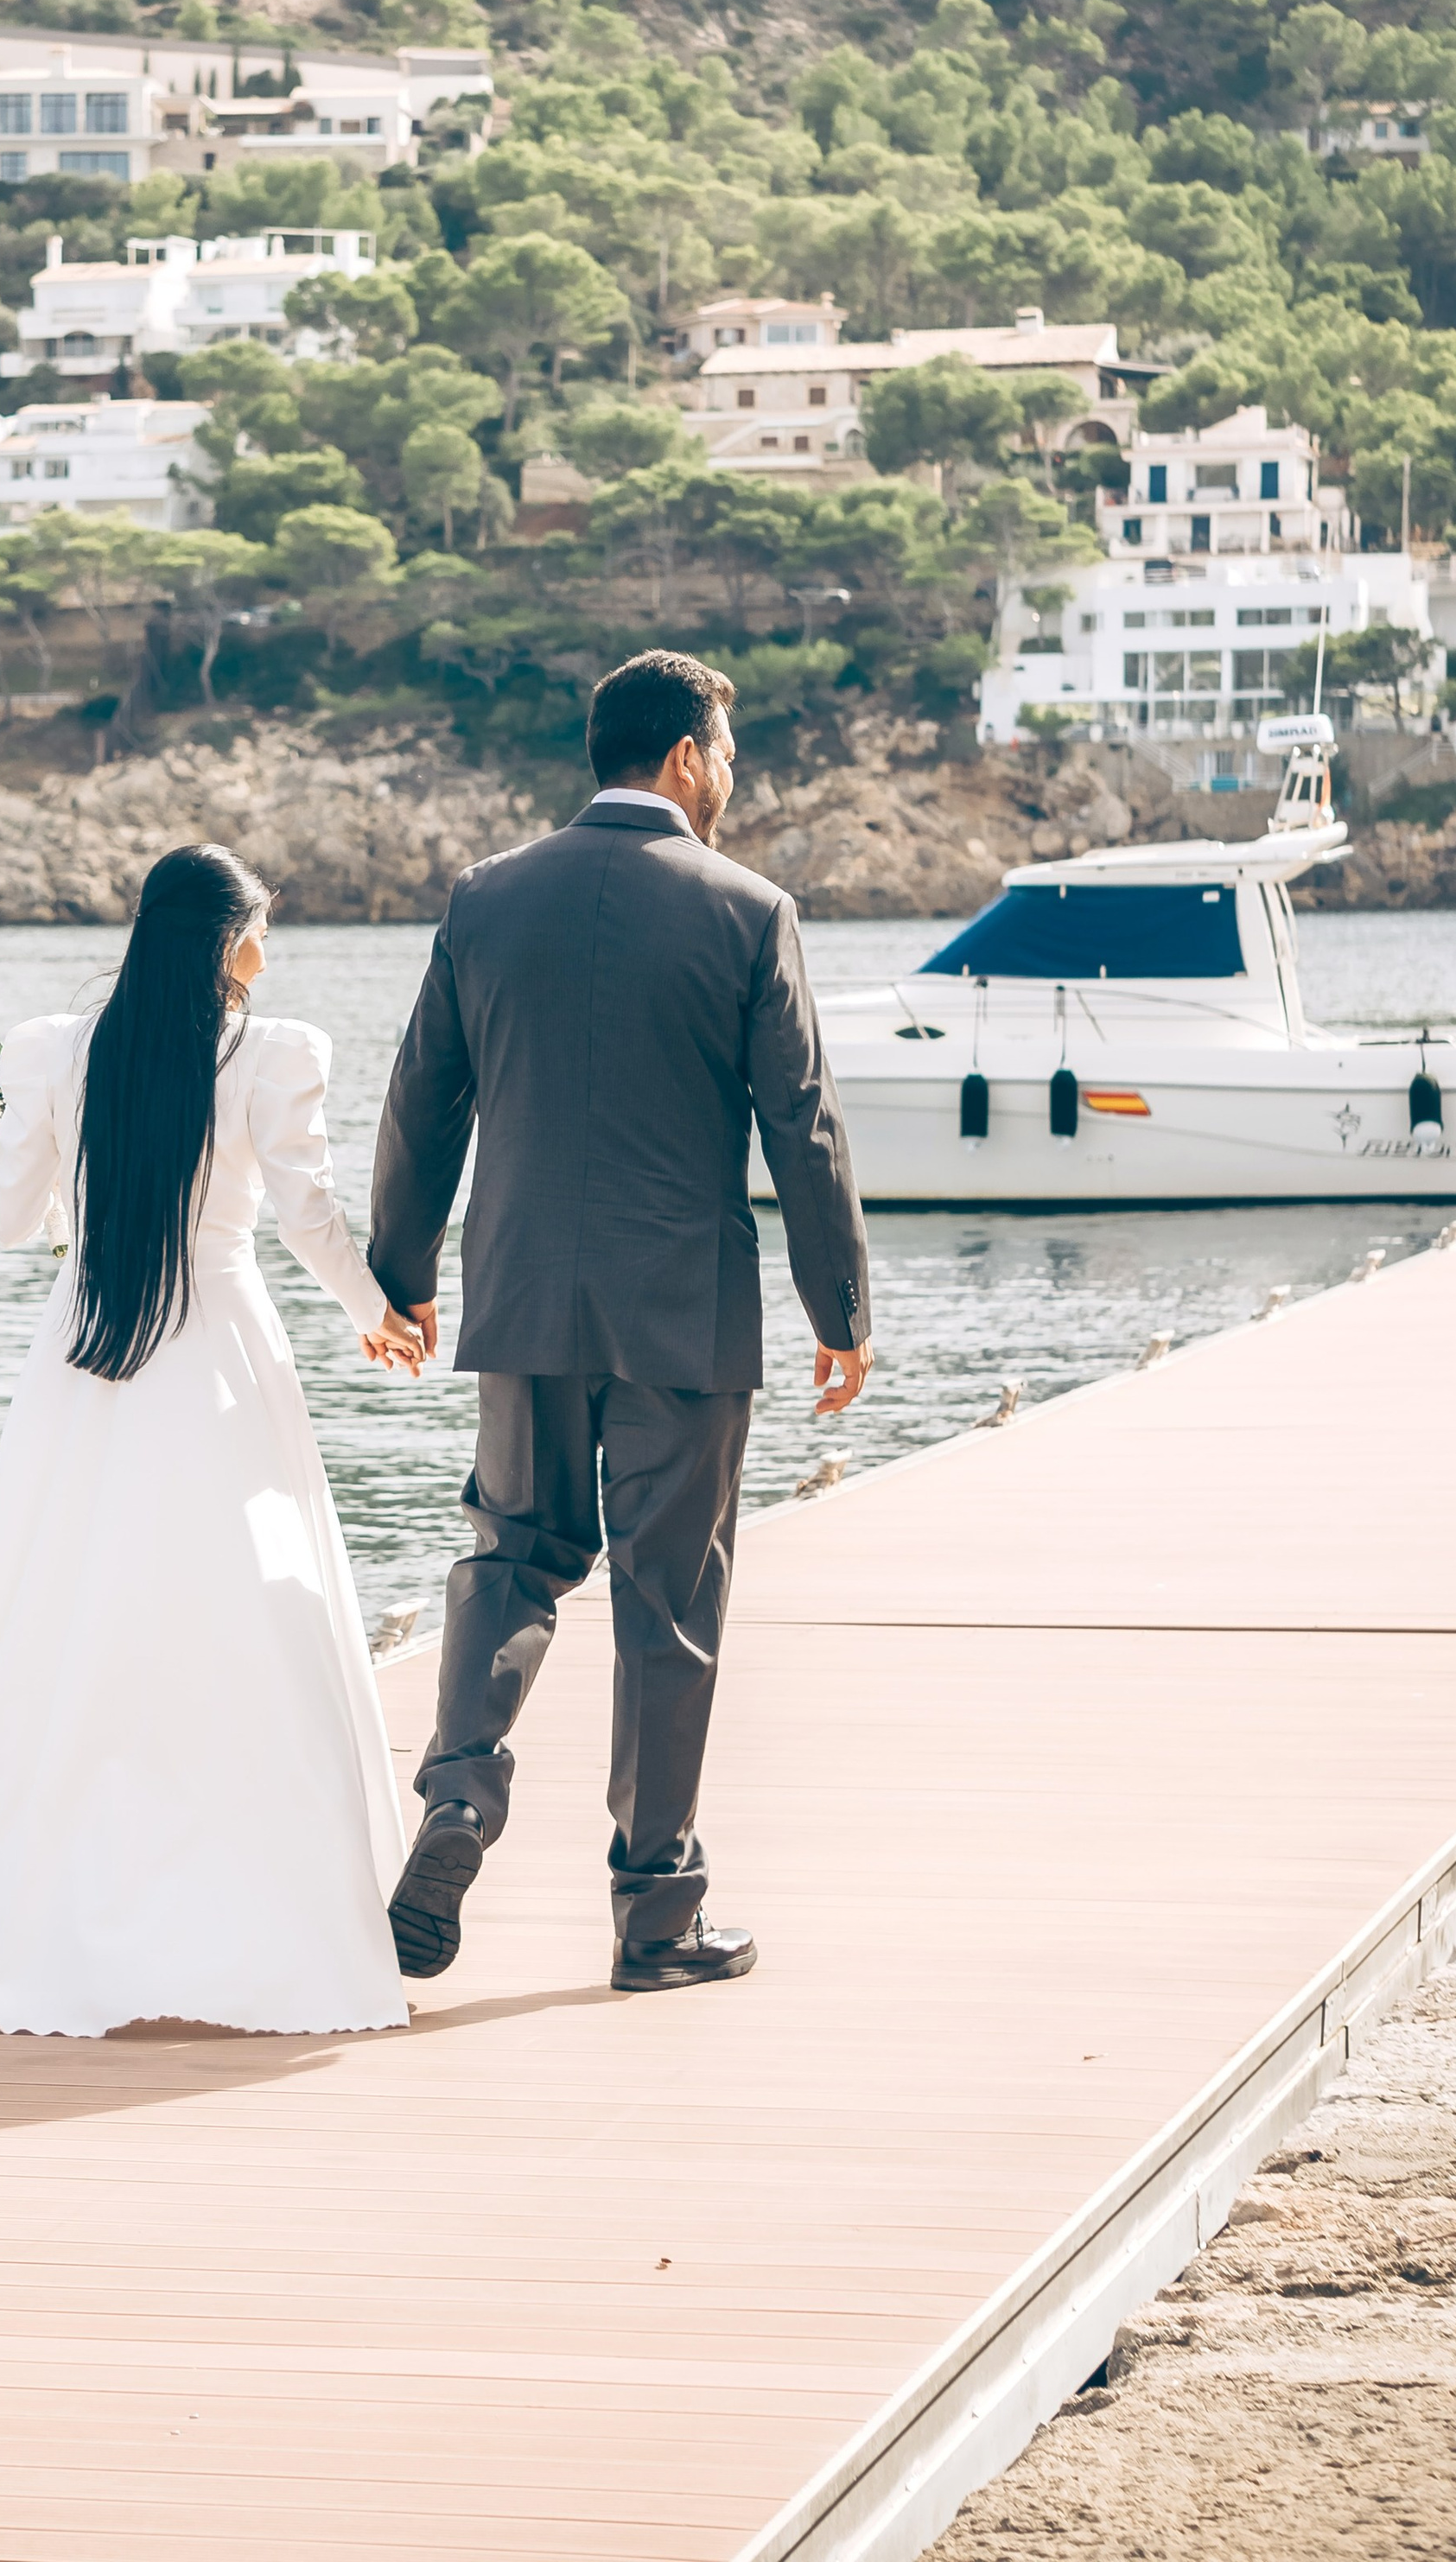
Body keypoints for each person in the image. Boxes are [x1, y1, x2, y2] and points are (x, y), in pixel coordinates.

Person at [0, 842, 429, 2040]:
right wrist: (376, 1315)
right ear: (234, 938)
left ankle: (37, 1890)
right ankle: (251, 1906)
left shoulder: (50, 1050)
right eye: (263, 928)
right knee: (241, 1613)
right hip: (222, 1357)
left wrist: (10, 1150)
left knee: (54, 1606)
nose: (266, 949)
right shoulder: (275, 1055)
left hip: (87, 1353)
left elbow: (10, 1222)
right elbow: (308, 1217)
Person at [367, 648, 873, 1996]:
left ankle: (461, 1797)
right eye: (731, 751)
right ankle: (657, 1921)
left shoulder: (485, 900)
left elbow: (424, 1102)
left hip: (523, 1299)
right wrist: (842, 1307)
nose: (735, 777)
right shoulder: (748, 910)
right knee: (671, 1602)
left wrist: (399, 1273)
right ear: (686, 758)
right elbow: (803, 1127)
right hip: (683, 1320)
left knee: (512, 1557)